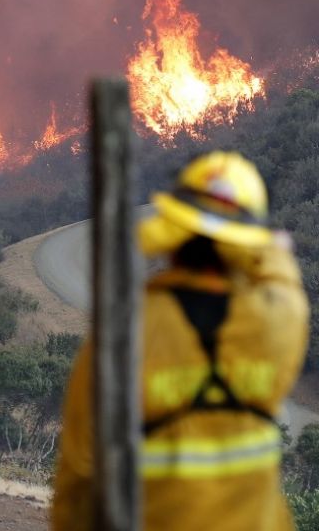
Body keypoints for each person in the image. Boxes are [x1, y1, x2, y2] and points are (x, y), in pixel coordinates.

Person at [51, 151, 310, 530]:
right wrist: (259, 241)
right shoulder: (279, 319)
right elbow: (281, 273)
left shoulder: (126, 331)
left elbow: (79, 472)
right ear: (249, 244)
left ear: (173, 236)